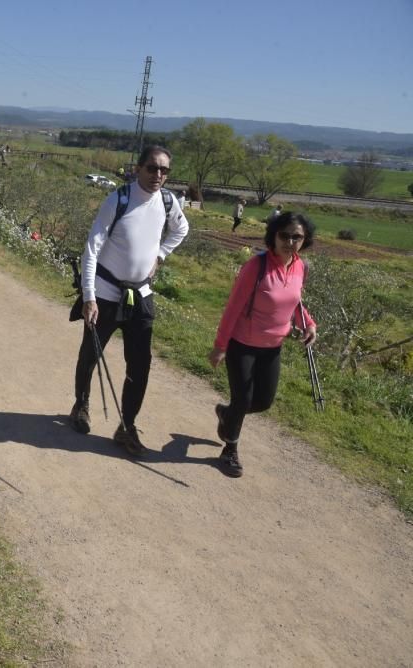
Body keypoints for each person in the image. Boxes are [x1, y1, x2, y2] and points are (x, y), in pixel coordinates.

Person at [69, 145, 189, 456]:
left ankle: (127, 426)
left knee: (141, 364)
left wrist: (160, 255)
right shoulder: (119, 199)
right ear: (138, 168)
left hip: (141, 295)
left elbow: (181, 229)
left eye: (164, 170)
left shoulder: (168, 201)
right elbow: (92, 248)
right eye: (152, 168)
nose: (158, 175)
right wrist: (89, 297)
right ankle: (81, 405)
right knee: (90, 355)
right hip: (106, 295)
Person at [208, 212, 317, 477]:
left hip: (272, 347)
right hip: (242, 345)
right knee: (243, 399)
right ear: (274, 236)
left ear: (305, 240)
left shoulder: (300, 267)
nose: (290, 241)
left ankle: (226, 414)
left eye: (297, 237)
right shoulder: (255, 267)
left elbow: (294, 303)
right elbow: (232, 309)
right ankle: (229, 451)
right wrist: (220, 346)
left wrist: (308, 324)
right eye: (285, 235)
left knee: (263, 402)